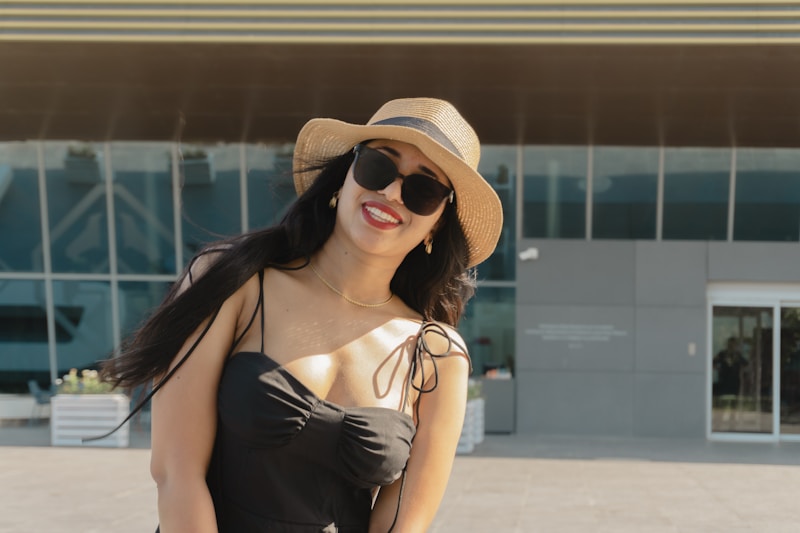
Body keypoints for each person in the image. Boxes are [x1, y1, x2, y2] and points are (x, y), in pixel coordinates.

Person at [99, 97, 503, 532]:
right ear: (345, 176)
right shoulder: (235, 281)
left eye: (423, 189)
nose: (390, 193)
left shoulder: (435, 355)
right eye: (377, 167)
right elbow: (175, 473)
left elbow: (402, 524)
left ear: (439, 222)